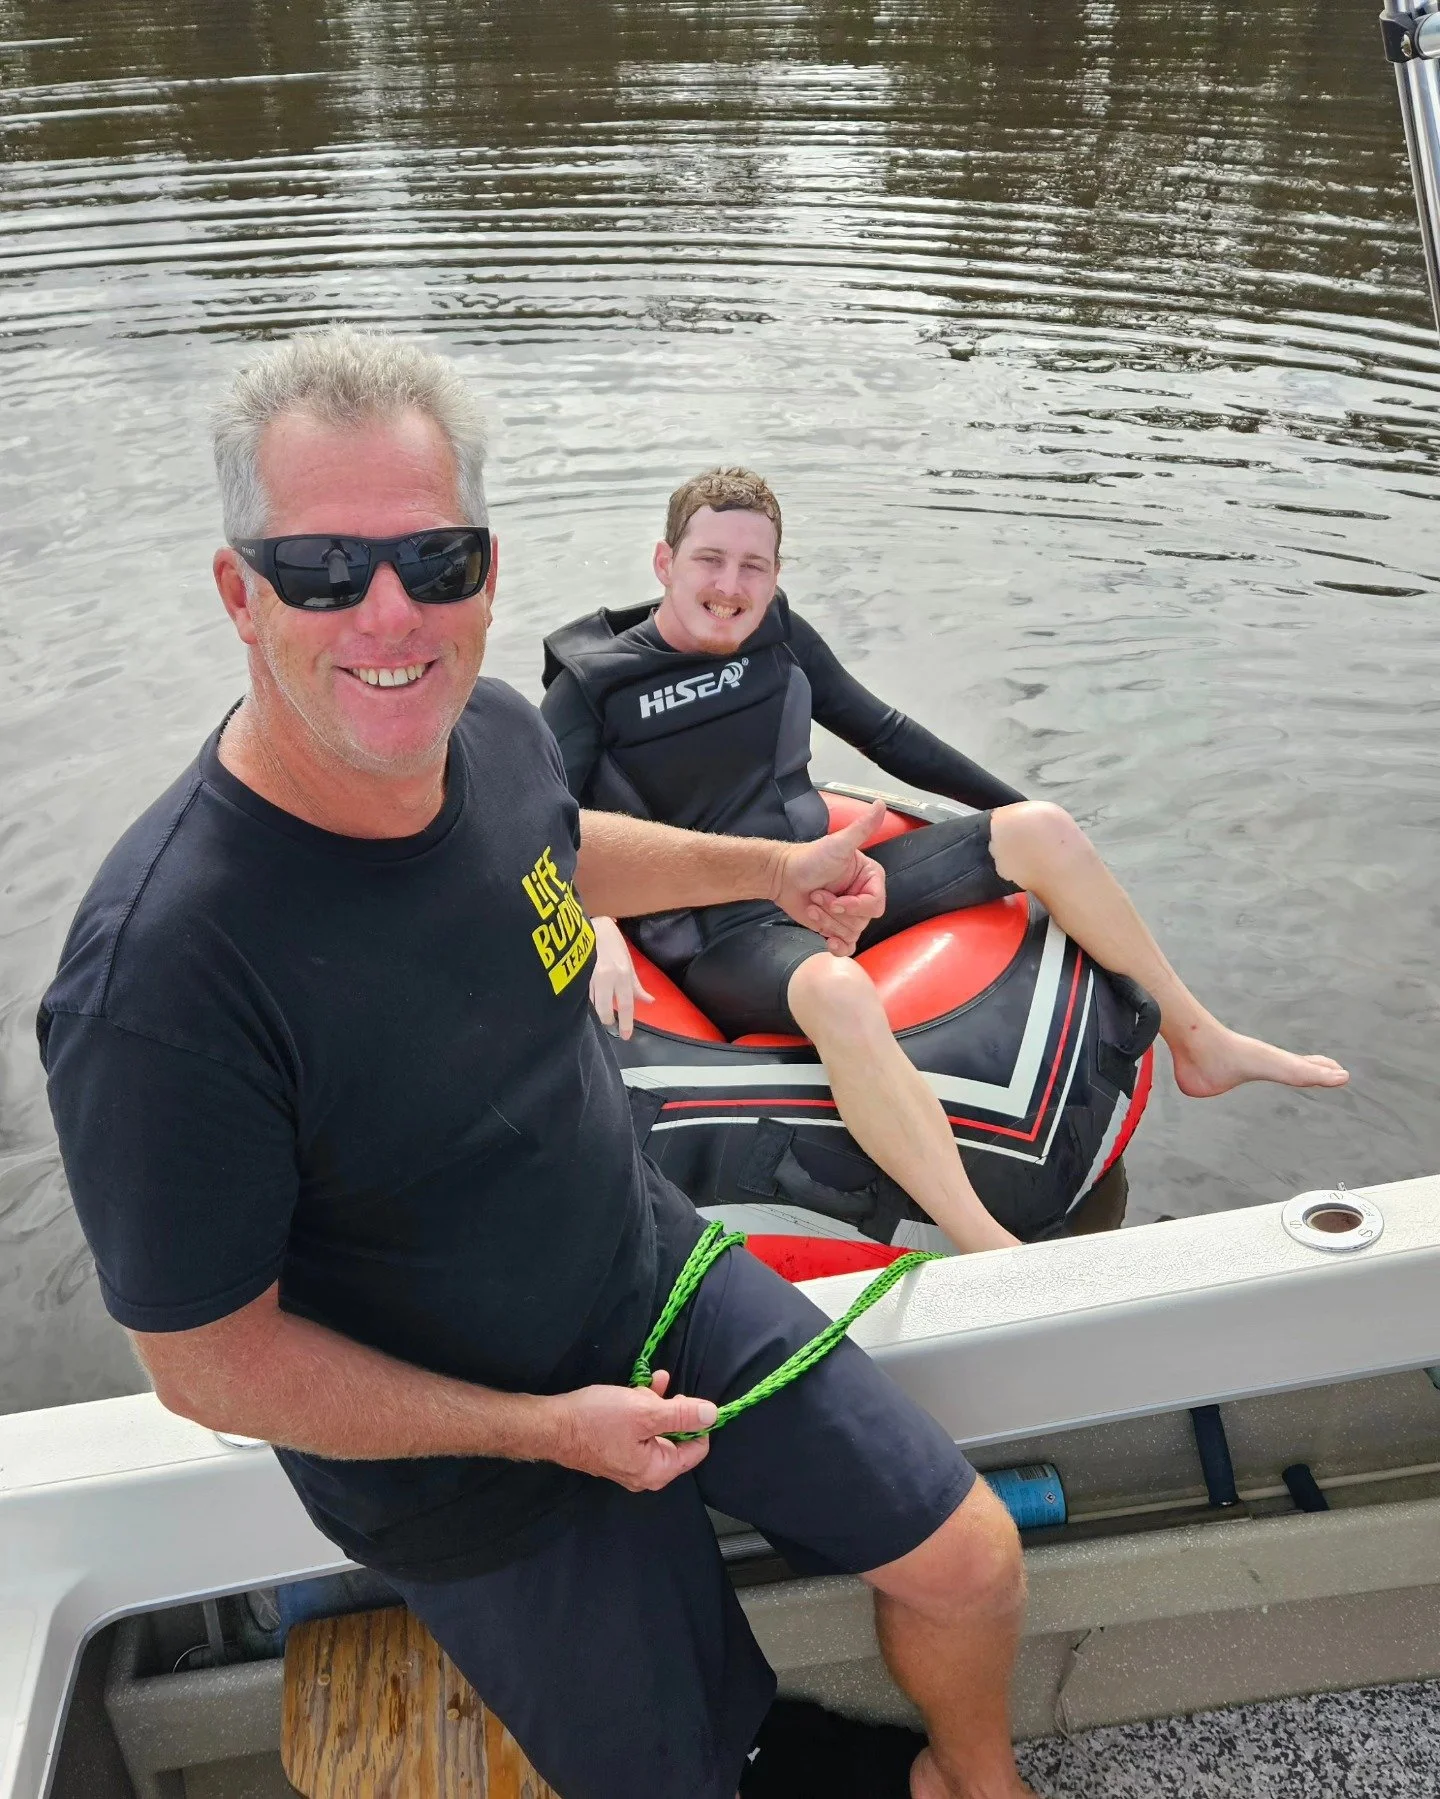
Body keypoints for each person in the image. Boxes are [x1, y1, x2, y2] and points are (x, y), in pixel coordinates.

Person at [38, 330, 1041, 1799]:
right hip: (466, 1461)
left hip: (647, 1275)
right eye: (322, 567)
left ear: (489, 569)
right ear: (238, 592)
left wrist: (769, 862)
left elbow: (560, 843)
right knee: (679, 1771)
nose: (390, 612)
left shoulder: (494, 729)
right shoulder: (162, 980)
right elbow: (207, 1362)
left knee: (969, 1557)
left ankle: (980, 1781)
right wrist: (545, 1430)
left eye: (434, 559)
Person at [540, 468, 1350, 1256]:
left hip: (830, 874)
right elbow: (548, 827)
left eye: (753, 564)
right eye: (709, 560)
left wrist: (1012, 816)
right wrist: (601, 924)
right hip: (723, 934)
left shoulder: (778, 631)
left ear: (776, 572)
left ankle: (1202, 1042)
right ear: (664, 562)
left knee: (1042, 830)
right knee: (838, 989)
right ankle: (983, 1240)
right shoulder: (594, 687)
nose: (730, 584)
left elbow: (888, 735)